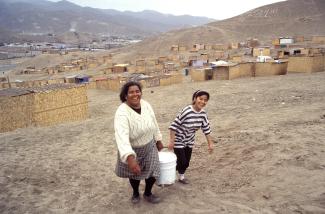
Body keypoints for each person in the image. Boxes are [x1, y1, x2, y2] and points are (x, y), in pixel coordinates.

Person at [114, 81, 164, 204]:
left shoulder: (146, 105)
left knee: (153, 171)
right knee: (135, 175)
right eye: (131, 92)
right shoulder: (122, 112)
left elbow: (154, 122)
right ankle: (136, 193)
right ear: (125, 96)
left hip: (150, 145)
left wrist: (158, 139)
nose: (135, 94)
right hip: (133, 149)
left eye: (137, 91)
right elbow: (121, 136)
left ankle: (148, 193)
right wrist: (130, 158)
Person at [168, 90, 213, 184]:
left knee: (186, 162)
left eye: (205, 100)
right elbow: (173, 126)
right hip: (179, 140)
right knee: (182, 161)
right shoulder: (187, 111)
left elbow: (206, 129)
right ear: (195, 99)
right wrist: (172, 141)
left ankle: (181, 177)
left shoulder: (203, 114)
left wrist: (210, 144)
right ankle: (168, 171)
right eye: (200, 99)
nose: (203, 102)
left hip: (190, 140)